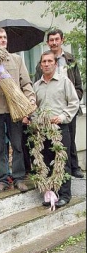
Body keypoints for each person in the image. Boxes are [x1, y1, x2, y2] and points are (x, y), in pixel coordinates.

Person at [0, 27, 37, 194]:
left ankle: (19, 178)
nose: (3, 40)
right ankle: (3, 180)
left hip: (15, 110)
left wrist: (30, 100)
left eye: (5, 37)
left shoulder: (16, 60)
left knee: (17, 145)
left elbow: (26, 83)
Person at [32, 50, 80, 208]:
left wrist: (62, 117)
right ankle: (51, 193)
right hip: (43, 130)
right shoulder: (36, 86)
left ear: (55, 63)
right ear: (40, 65)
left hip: (60, 128)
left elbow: (74, 103)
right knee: (46, 161)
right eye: (44, 62)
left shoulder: (64, 82)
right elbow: (34, 107)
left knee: (62, 161)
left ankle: (65, 195)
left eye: (49, 61)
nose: (46, 64)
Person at [34, 29, 84, 179]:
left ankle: (73, 167)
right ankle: (54, 172)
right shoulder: (42, 63)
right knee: (52, 144)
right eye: (51, 40)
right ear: (48, 42)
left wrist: (71, 104)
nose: (54, 42)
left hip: (68, 106)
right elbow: (38, 85)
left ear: (62, 40)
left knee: (69, 139)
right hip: (50, 110)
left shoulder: (70, 59)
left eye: (57, 39)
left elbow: (78, 86)